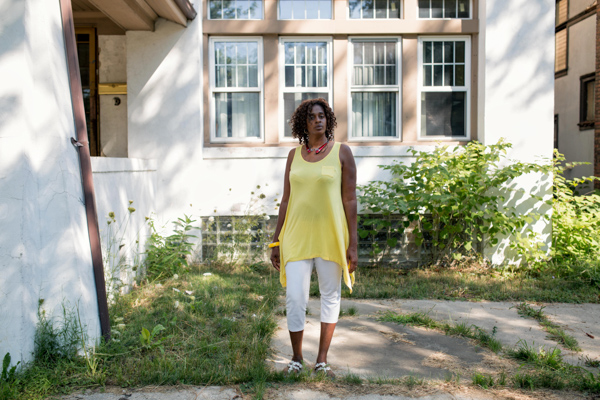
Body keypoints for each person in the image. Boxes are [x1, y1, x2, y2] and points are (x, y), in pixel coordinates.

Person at [270, 98, 357, 378]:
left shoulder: (342, 153)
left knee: (330, 296)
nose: (318, 120)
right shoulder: (294, 156)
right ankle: (296, 358)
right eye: (312, 117)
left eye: (322, 116)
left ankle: (321, 360)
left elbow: (350, 200)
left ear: (328, 120)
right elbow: (285, 200)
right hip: (295, 235)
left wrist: (353, 243)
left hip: (331, 235)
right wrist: (276, 240)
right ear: (303, 123)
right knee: (295, 297)